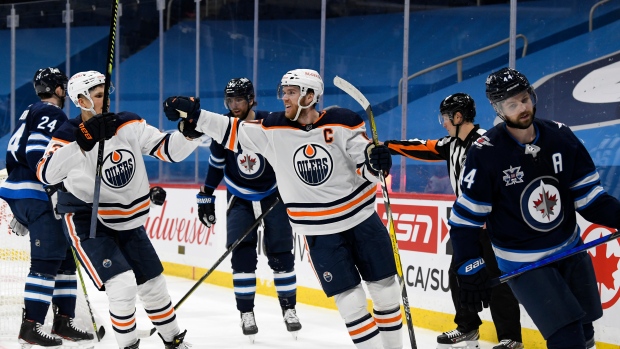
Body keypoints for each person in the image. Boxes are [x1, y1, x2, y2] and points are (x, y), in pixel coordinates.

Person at [164, 69, 404, 349]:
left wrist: (377, 163)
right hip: (320, 231)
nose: (284, 99)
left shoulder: (344, 122)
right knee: (350, 304)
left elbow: (367, 168)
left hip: (362, 221)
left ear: (310, 96)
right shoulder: (273, 128)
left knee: (386, 295)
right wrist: (195, 115)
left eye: (291, 92)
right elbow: (231, 130)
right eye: (284, 92)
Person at [448, 67, 615, 349]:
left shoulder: (560, 136)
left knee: (585, 332)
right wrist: (467, 266)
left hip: (569, 249)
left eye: (525, 99)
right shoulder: (486, 152)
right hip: (524, 263)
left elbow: (590, 198)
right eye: (512, 104)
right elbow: (465, 220)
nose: (523, 108)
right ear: (499, 109)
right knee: (567, 337)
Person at [36, 70, 200, 349]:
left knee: (153, 286)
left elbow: (169, 150)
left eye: (105, 94)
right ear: (80, 100)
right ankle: (128, 345)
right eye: (98, 96)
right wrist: (83, 141)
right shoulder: (68, 133)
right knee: (122, 285)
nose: (105, 101)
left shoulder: (128, 123)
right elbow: (46, 173)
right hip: (87, 220)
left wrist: (191, 127)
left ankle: (174, 340)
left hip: (127, 221)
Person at [384, 93, 523, 349]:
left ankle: (511, 337)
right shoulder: (451, 144)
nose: (444, 123)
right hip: (466, 229)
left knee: (497, 281)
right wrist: (387, 146)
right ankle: (468, 328)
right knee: (458, 276)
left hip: (493, 227)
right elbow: (422, 146)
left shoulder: (486, 142)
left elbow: (509, 177)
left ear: (458, 116)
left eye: (446, 118)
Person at [196, 77, 301, 340]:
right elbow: (217, 165)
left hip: (273, 196)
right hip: (239, 197)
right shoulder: (223, 127)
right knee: (241, 254)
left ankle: (289, 309)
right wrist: (206, 195)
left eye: (239, 100)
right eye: (230, 100)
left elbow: (289, 155)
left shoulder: (268, 123)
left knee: (281, 253)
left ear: (251, 99)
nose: (234, 105)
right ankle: (246, 312)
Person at [0, 67, 94, 347]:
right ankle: (31, 327)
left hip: (27, 194)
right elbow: (35, 153)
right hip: (39, 196)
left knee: (64, 260)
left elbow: (14, 152)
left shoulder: (31, 111)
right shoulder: (52, 113)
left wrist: (21, 202)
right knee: (45, 263)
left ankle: (64, 321)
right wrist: (51, 190)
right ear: (58, 89)